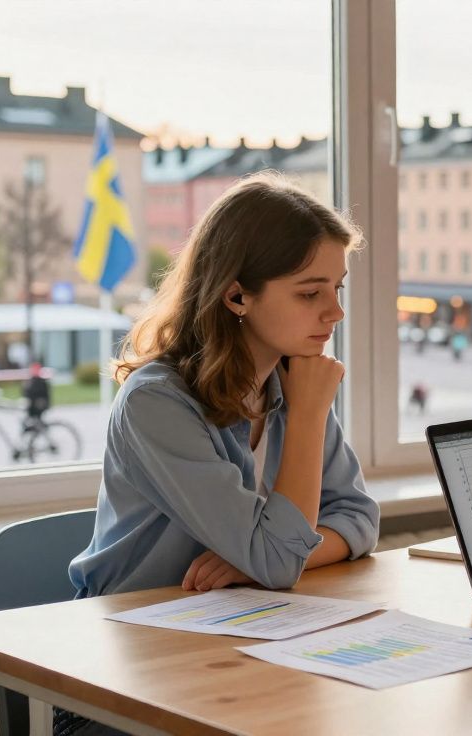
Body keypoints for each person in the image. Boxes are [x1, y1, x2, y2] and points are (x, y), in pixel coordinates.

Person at [70, 173, 381, 600]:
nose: (336, 313)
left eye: (337, 288)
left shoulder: (293, 378)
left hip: (240, 616)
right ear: (236, 297)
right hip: (142, 628)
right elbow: (277, 561)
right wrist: (269, 554)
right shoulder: (156, 403)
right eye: (310, 294)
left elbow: (359, 517)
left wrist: (260, 558)